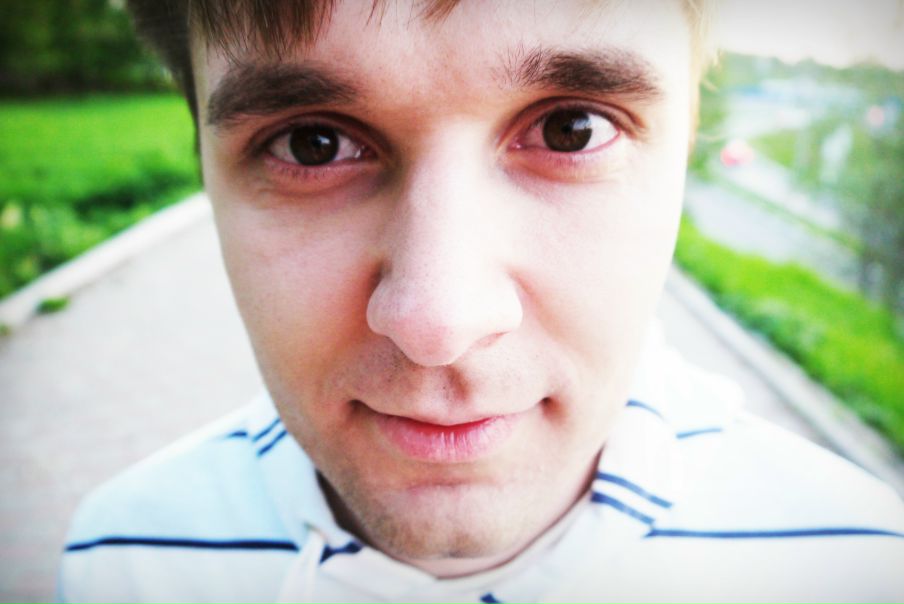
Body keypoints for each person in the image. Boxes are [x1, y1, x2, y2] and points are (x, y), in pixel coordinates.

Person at [59, 1, 904, 602]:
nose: (438, 323)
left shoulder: (856, 566)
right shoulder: (122, 561)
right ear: (203, 167)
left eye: (571, 129)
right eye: (312, 145)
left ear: (685, 149)